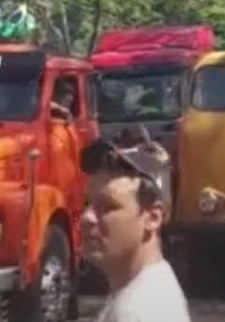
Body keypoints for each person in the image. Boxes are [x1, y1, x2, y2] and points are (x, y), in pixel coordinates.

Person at [79, 138, 190, 322]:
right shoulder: (139, 293)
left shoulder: (145, 311)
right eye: (86, 204)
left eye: (107, 207)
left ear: (153, 218)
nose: (86, 218)